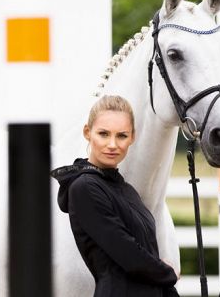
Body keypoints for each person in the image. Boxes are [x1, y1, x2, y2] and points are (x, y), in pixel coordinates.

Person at [51, 95, 180, 297]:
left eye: (121, 136)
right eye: (103, 134)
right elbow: (128, 254)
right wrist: (167, 273)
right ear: (88, 133)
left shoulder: (126, 190)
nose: (112, 144)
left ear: (132, 137)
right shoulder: (84, 187)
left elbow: (146, 252)